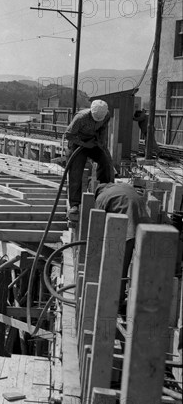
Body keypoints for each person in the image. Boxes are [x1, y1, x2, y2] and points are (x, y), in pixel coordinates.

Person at [94, 182, 152, 312]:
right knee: (145, 268)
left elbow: (97, 224)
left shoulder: (101, 198)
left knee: (118, 267)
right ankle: (144, 304)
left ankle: (116, 302)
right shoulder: (126, 187)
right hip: (147, 226)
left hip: (128, 229)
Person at [64, 99, 115, 216]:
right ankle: (74, 204)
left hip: (92, 142)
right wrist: (85, 144)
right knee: (76, 172)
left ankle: (104, 194)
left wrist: (101, 142)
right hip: (77, 143)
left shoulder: (106, 115)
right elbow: (68, 135)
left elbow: (103, 128)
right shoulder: (81, 117)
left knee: (105, 162)